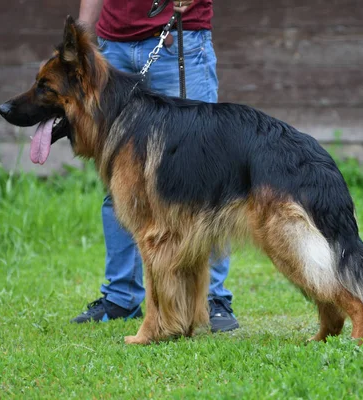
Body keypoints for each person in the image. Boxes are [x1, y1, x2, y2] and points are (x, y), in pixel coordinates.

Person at [71, 0, 239, 332]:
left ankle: (213, 298)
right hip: (112, 47)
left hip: (180, 37)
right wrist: (84, 34)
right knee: (120, 182)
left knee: (202, 177)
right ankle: (121, 296)